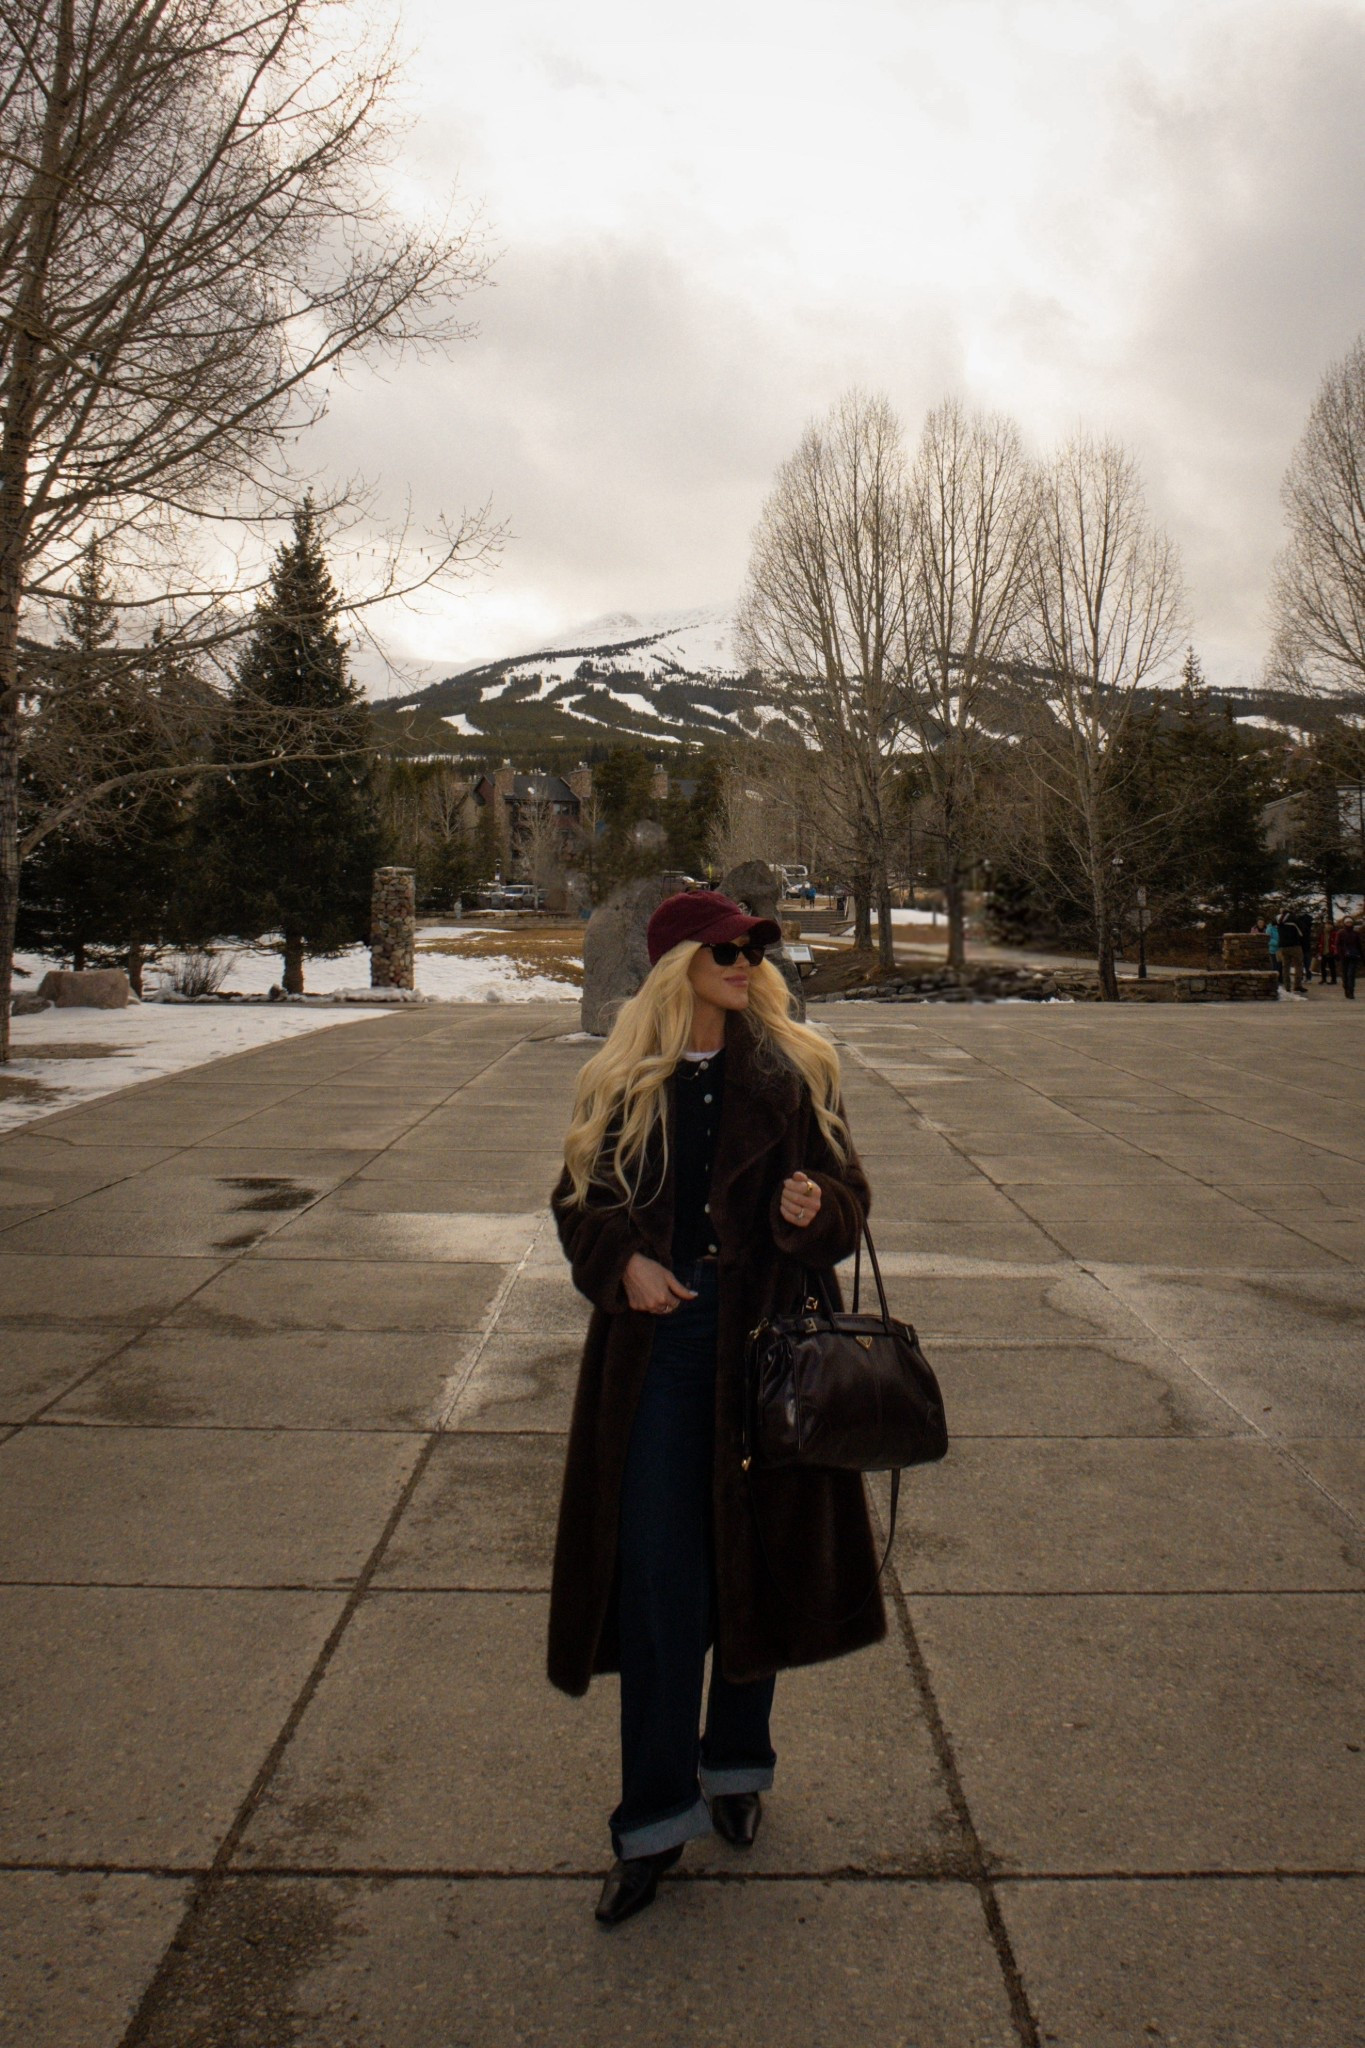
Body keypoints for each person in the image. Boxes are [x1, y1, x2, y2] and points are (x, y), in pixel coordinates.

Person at [549, 889, 883, 1928]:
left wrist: (815, 1208)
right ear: (675, 964)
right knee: (658, 1582)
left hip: (768, 1344)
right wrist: (626, 1266)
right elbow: (577, 1204)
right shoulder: (622, 1080)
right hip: (657, 1352)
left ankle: (737, 1764)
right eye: (726, 949)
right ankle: (653, 1820)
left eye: (755, 948)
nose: (747, 962)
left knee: (759, 1560)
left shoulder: (794, 1069)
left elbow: (849, 1197)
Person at [1276, 908, 1306, 995]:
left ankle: (1287, 986)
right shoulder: (1294, 919)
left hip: (1282, 946)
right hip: (1294, 945)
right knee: (1298, 965)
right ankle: (1297, 985)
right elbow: (1302, 932)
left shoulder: (1278, 920)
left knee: (1285, 966)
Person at [1337, 915, 1362, 1000]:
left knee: (1351, 974)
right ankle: (1346, 988)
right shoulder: (1341, 933)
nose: (1349, 924)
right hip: (1344, 957)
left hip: (1353, 956)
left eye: (1350, 922)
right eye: (1347, 922)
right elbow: (1338, 945)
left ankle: (1351, 991)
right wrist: (1340, 954)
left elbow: (1359, 945)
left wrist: (1361, 955)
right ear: (1344, 923)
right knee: (1345, 974)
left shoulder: (1355, 933)